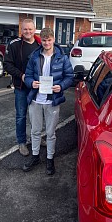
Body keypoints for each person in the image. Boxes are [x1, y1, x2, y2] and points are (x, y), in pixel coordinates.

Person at [23, 27, 73, 175]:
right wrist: (31, 83)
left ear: (53, 40)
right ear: (41, 41)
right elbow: (28, 75)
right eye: (44, 40)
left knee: (51, 133)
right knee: (35, 131)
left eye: (49, 40)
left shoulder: (62, 58)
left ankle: (50, 159)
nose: (46, 43)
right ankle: (35, 156)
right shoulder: (34, 56)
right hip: (36, 100)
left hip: (52, 101)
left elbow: (69, 76)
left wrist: (61, 86)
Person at [4, 19, 40, 156]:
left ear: (34, 29)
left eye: (30, 29)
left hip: (36, 88)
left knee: (36, 116)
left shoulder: (39, 44)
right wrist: (21, 75)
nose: (28, 32)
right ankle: (22, 142)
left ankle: (36, 137)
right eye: (25, 29)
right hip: (21, 87)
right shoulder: (14, 45)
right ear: (21, 30)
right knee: (21, 116)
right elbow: (7, 64)